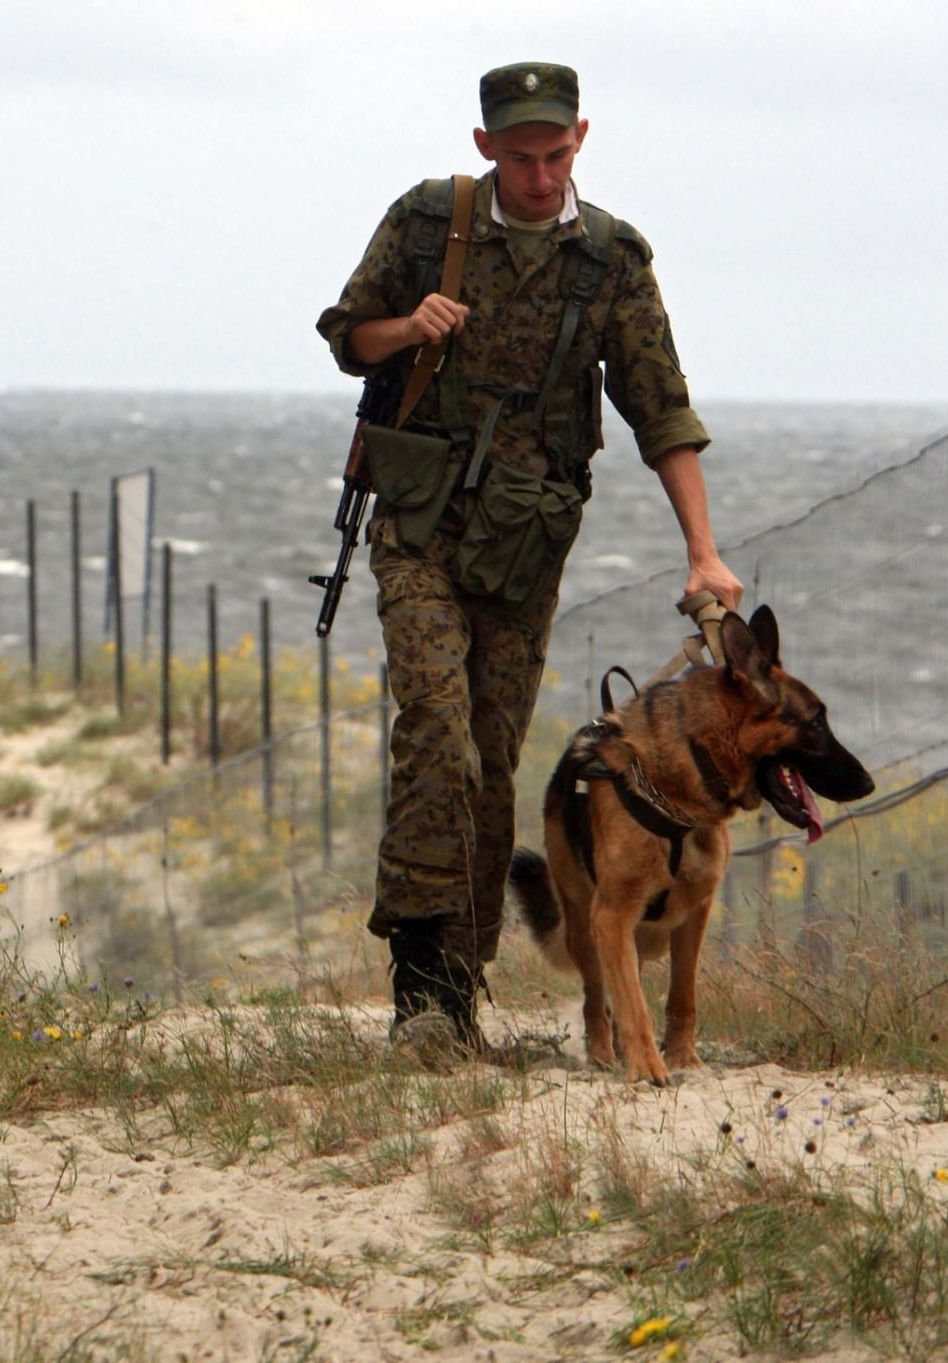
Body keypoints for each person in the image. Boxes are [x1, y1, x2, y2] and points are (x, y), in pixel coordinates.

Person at [315, 63, 744, 1052]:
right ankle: (419, 991)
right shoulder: (427, 223)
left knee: (491, 766)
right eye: (520, 156)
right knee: (434, 727)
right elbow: (347, 337)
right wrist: (405, 326)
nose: (540, 175)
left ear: (579, 140)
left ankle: (459, 989)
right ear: (484, 149)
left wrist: (702, 551)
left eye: (556, 154)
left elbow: (659, 409)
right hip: (416, 530)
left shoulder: (609, 261)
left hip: (521, 551)